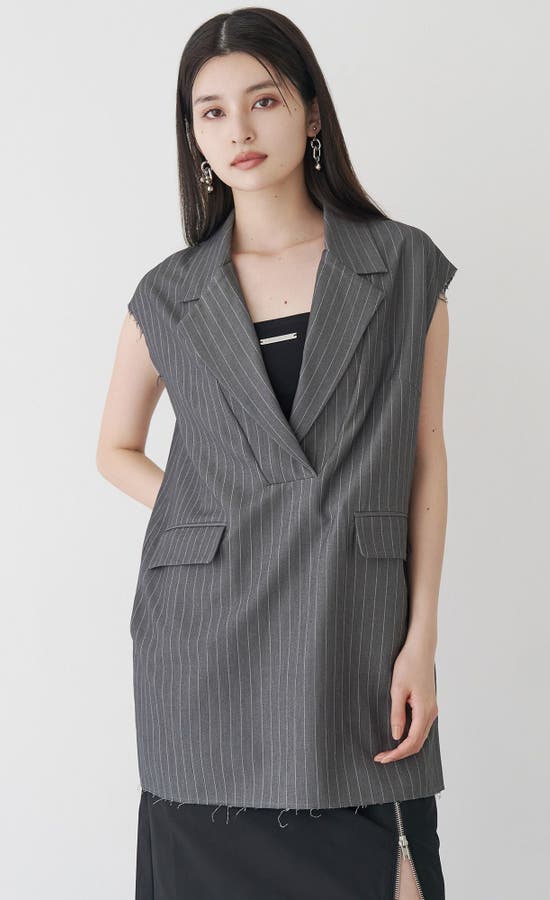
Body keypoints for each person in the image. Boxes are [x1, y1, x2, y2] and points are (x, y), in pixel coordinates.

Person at [97, 8, 457, 899]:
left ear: (312, 112)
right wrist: (215, 513)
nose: (240, 131)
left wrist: (422, 638)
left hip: (352, 627)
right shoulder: (170, 294)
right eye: (212, 112)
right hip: (203, 643)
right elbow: (115, 448)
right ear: (193, 136)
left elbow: (425, 456)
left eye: (263, 101)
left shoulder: (403, 266)